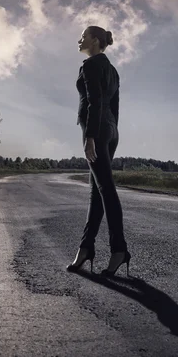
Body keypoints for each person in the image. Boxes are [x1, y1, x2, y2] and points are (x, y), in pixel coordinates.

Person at [66, 26, 131, 276]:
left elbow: (93, 100)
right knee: (97, 194)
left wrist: (91, 136)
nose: (79, 39)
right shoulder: (113, 71)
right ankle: (86, 248)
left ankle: (119, 249)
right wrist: (110, 132)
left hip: (97, 130)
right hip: (111, 130)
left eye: (83, 36)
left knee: (106, 190)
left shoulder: (90, 65)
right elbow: (115, 108)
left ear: (94, 40)